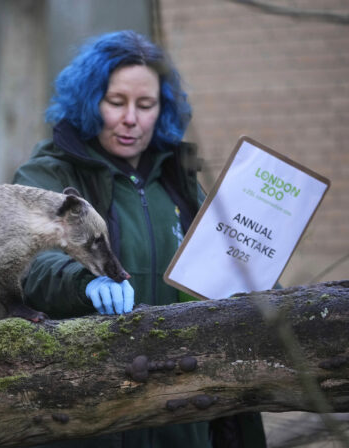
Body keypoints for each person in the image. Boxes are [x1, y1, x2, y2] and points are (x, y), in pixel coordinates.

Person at [13, 30, 266, 448]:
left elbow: (223, 270)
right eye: (116, 103)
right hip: (87, 419)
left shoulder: (179, 183)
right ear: (90, 101)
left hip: (180, 421)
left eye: (145, 105)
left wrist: (259, 275)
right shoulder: (51, 174)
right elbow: (27, 264)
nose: (131, 118)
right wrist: (84, 283)